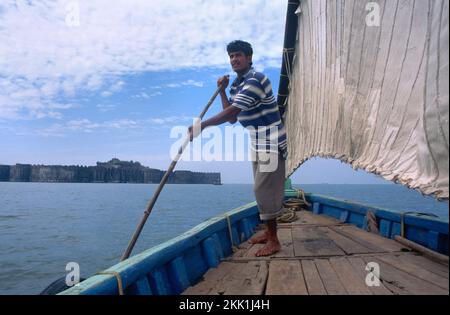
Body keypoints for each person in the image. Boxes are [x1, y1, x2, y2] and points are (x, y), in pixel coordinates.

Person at [188, 40, 287, 257]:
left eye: (238, 55)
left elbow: (232, 113)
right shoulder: (237, 85)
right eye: (231, 56)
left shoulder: (256, 79)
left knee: (262, 190)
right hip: (258, 142)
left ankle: (274, 240)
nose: (234, 59)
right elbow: (233, 117)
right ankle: (268, 233)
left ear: (249, 58)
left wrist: (202, 125)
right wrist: (222, 91)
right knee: (263, 191)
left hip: (271, 142)